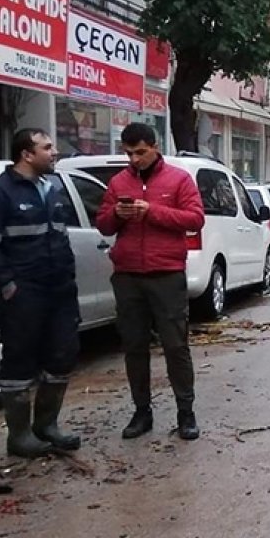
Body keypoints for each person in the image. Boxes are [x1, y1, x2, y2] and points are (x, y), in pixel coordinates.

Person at [96, 123, 206, 441]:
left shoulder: (179, 179)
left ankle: (186, 412)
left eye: (140, 152)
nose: (134, 160)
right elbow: (103, 225)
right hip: (128, 275)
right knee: (134, 347)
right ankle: (141, 412)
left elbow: (194, 219)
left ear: (155, 147)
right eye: (129, 153)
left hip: (166, 274)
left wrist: (151, 211)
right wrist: (117, 213)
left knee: (175, 346)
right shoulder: (118, 182)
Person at [0, 129, 82, 458]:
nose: (53, 152)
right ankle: (20, 436)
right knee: (20, 360)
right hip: (24, 292)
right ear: (27, 154)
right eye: (47, 147)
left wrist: (68, 278)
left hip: (59, 291)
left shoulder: (51, 189)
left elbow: (60, 236)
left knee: (62, 355)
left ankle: (47, 426)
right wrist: (8, 286)